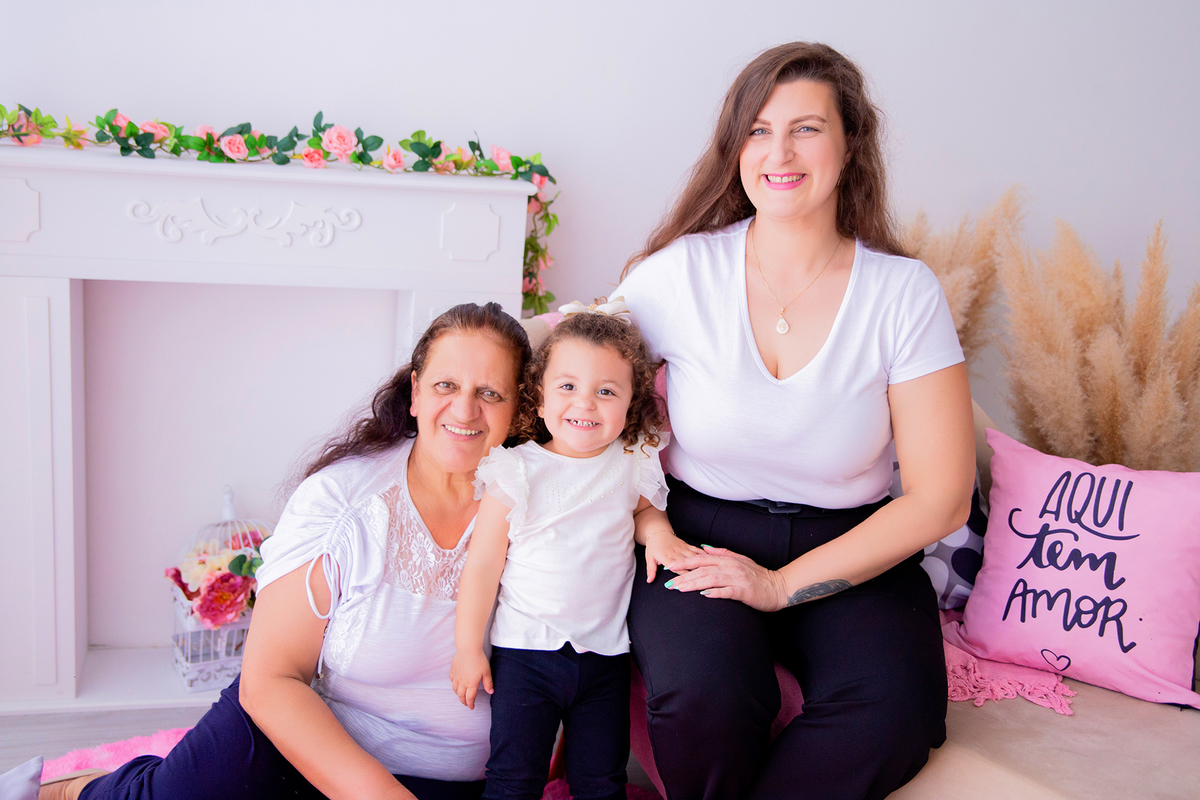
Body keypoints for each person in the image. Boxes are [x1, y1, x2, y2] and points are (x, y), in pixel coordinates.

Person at [613, 42, 976, 800]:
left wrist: (779, 587)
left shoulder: (903, 293)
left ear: (851, 145)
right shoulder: (680, 273)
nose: (779, 151)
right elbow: (583, 368)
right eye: (757, 130)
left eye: (807, 128)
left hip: (853, 544)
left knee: (893, 713)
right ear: (735, 148)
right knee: (705, 695)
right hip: (699, 534)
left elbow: (940, 498)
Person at [44, 303, 532, 800]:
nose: (466, 409)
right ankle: (77, 790)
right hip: (303, 750)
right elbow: (270, 681)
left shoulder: (539, 508)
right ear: (414, 393)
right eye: (446, 385)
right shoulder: (344, 504)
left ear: (519, 411)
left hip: (460, 780)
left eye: (490, 393)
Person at [449, 308, 699, 800]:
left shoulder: (631, 462)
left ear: (631, 405)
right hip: (525, 655)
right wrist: (466, 647)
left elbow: (645, 513)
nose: (585, 402)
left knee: (601, 780)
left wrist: (661, 533)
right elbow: (482, 566)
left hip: (604, 657)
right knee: (513, 778)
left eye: (606, 391)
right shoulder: (517, 470)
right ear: (538, 397)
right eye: (567, 387)